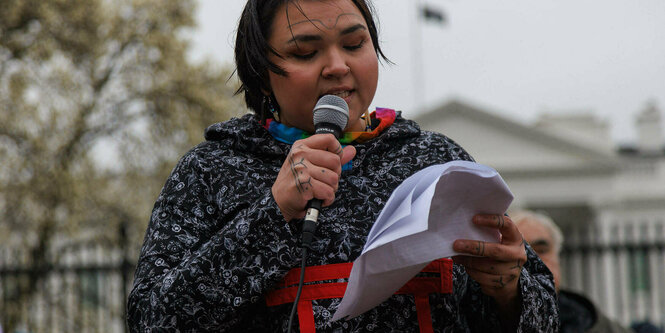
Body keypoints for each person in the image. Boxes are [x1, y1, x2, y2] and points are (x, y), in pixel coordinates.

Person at [127, 0, 559, 331]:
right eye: (305, 52)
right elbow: (152, 320)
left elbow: (543, 317)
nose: (338, 66)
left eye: (355, 44)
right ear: (261, 72)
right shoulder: (211, 171)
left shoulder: (434, 160)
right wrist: (272, 215)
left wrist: (508, 289)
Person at [512, 210, 634, 333]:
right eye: (517, 253)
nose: (532, 262)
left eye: (542, 250)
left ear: (557, 257)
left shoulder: (608, 329)